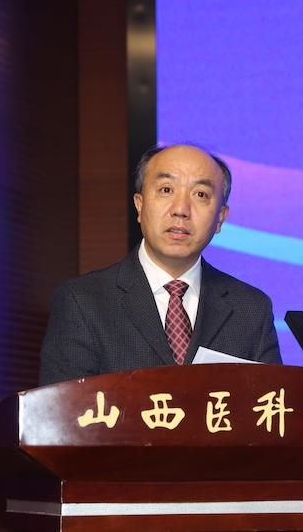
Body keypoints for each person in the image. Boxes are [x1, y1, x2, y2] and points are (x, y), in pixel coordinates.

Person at [38, 144, 281, 385]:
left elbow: (272, 405)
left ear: (220, 218)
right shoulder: (82, 302)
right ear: (140, 205)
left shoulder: (252, 310)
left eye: (200, 195)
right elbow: (64, 408)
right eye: (166, 190)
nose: (181, 210)